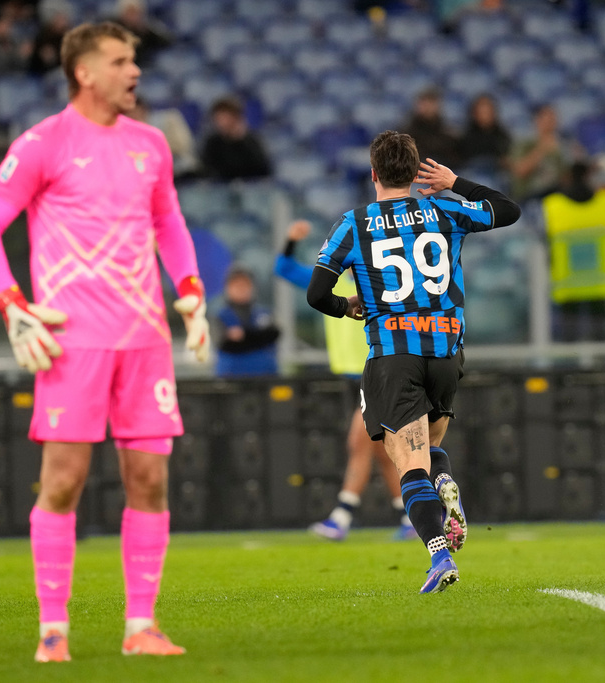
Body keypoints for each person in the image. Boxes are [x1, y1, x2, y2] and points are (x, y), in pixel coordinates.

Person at [0, 22, 211, 662]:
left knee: (150, 480)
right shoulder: (45, 143)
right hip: (74, 342)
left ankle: (141, 628)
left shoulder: (151, 143)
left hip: (146, 339)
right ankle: (53, 632)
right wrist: (13, 306)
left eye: (135, 60)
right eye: (121, 61)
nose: (135, 71)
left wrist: (189, 290)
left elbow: (168, 223)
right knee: (65, 482)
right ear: (85, 72)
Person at [307, 131, 521, 593]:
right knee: (428, 452)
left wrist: (348, 307)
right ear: (415, 170)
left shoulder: (355, 223)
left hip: (393, 353)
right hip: (446, 351)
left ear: (373, 173)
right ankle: (445, 484)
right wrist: (455, 182)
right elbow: (509, 210)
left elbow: (317, 293)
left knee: (407, 462)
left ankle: (439, 554)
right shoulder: (445, 209)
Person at [273, 219, 416, 541]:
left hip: (375, 375)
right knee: (380, 452)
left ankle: (341, 516)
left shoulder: (386, 287)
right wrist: (291, 240)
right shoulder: (334, 287)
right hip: (352, 379)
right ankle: (409, 518)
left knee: (358, 445)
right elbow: (282, 267)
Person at [542, 162, 605, 342]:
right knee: (603, 343)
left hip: (567, 286)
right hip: (600, 284)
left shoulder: (553, 206)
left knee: (569, 345)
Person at [213, 267, 280, 378]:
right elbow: (223, 343)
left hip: (265, 378)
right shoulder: (220, 316)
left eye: (245, 284)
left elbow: (273, 333)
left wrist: (243, 335)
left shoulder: (264, 313)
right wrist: (257, 337)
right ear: (228, 288)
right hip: (230, 378)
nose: (241, 289)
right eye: (237, 285)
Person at [506, 103, 575, 201]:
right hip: (529, 194)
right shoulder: (524, 143)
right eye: (547, 119)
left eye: (553, 119)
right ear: (537, 120)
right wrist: (542, 149)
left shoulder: (561, 146)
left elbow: (566, 179)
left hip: (555, 194)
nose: (550, 123)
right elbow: (519, 171)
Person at [200, 97, 272, 181]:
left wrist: (240, 139)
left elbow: (264, 169)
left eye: (225, 116)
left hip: (250, 188)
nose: (221, 121)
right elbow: (207, 170)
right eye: (218, 117)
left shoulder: (252, 141)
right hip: (220, 188)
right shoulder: (212, 142)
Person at [402, 87, 460, 170]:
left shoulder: (448, 135)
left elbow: (454, 161)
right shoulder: (406, 134)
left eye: (431, 102)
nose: (428, 107)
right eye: (424, 102)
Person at [458, 94, 511, 171]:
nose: (485, 115)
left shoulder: (503, 136)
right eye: (482, 112)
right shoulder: (465, 138)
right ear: (474, 114)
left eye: (487, 112)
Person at [111, 0, 170, 66]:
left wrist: (144, 30)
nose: (132, 16)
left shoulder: (145, 30)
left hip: (141, 66)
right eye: (129, 12)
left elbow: (166, 41)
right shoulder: (112, 28)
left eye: (135, 13)